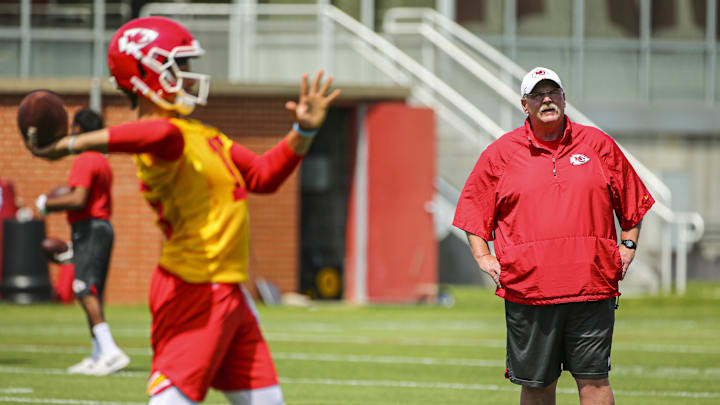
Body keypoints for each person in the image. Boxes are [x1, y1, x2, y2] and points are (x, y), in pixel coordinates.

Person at [26, 16, 340, 405]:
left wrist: (303, 132)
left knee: (267, 401)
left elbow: (263, 176)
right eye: (179, 65)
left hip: (228, 289)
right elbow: (156, 133)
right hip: (194, 289)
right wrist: (70, 145)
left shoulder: (202, 135)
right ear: (143, 72)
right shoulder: (166, 135)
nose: (189, 75)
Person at [453, 67, 654, 405]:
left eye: (553, 92)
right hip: (529, 291)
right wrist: (482, 255)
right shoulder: (501, 153)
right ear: (524, 104)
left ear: (564, 98)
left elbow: (634, 204)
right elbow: (474, 212)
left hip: (591, 287)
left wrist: (628, 245)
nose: (546, 99)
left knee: (595, 382)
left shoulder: (598, 144)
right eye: (537, 94)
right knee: (537, 385)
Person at [35, 108, 129, 376]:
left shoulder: (86, 159)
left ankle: (110, 351)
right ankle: (98, 353)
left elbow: (78, 199)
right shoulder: (99, 158)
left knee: (85, 290)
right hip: (93, 229)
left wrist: (47, 204)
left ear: (77, 129)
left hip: (91, 228)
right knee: (88, 291)